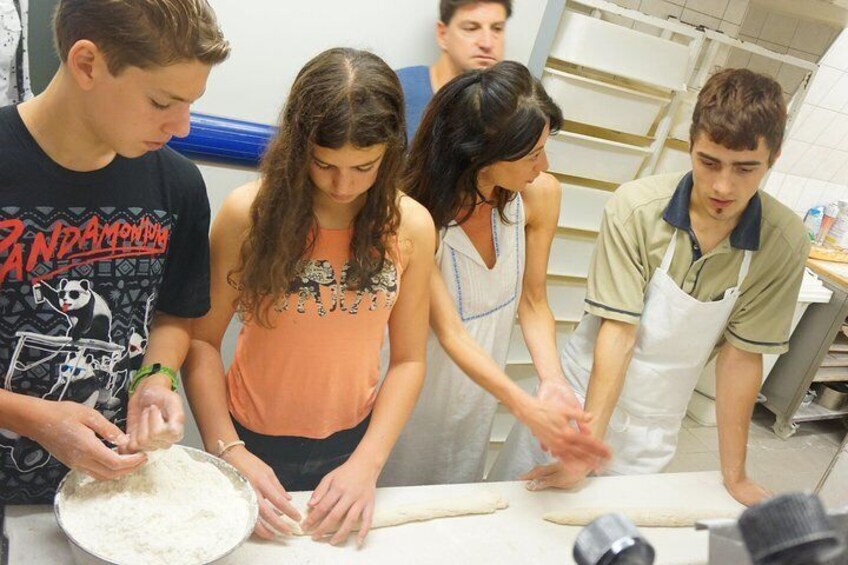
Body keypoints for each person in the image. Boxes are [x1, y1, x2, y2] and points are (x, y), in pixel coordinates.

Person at [492, 68, 809, 507]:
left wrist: (734, 476)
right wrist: (585, 449)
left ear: (773, 158)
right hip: (582, 406)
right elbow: (618, 332)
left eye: (745, 169)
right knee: (517, 515)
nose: (722, 186)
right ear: (690, 145)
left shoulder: (784, 241)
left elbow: (740, 359)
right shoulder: (637, 209)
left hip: (653, 426)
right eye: (709, 162)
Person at [181, 48, 434, 546]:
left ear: (390, 154)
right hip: (247, 436)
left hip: (351, 443)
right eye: (324, 164)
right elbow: (201, 343)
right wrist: (229, 449)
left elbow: (408, 361)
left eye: (365, 168)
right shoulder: (246, 214)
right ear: (299, 147)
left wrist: (367, 462)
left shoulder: (412, 226)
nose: (343, 185)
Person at [0, 0, 229, 506]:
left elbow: (173, 312)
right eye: (161, 101)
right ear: (87, 64)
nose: (183, 127)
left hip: (107, 493)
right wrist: (32, 417)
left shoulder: (179, 185)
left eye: (191, 103)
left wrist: (157, 376)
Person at [379, 61, 610, 488]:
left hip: (480, 394)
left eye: (543, 147)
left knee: (458, 494)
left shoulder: (539, 196)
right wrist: (522, 404)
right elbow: (451, 332)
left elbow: (534, 300)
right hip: (414, 391)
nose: (543, 164)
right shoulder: (414, 214)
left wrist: (553, 381)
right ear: (479, 154)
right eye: (531, 154)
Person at [397, 0, 510, 141]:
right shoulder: (397, 91)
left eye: (497, 29)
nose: (487, 43)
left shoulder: (511, 110)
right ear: (442, 34)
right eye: (471, 28)